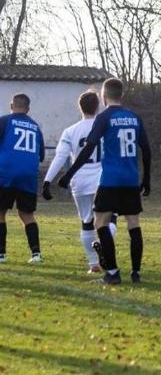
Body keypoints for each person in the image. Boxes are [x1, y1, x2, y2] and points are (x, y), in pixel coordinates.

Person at [59, 78, 151, 285]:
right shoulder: (134, 117)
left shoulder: (104, 118)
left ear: (104, 95)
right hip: (130, 179)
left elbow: (88, 149)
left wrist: (69, 174)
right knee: (133, 223)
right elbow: (146, 151)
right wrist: (146, 179)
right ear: (122, 94)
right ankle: (136, 273)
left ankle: (112, 273)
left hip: (110, 179)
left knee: (100, 222)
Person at [43, 91, 118, 273]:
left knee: (86, 221)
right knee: (110, 218)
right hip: (105, 179)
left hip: (81, 181)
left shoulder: (71, 131)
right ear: (98, 106)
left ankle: (93, 264)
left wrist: (47, 181)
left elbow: (60, 157)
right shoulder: (108, 126)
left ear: (80, 107)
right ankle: (101, 245)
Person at [0, 93, 45, 263]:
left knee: (0, 212)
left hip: (6, 173)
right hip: (28, 175)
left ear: (12, 106)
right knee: (27, 214)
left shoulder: (4, 121)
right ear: (28, 109)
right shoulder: (35, 127)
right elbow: (41, 155)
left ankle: (1, 254)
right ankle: (36, 254)